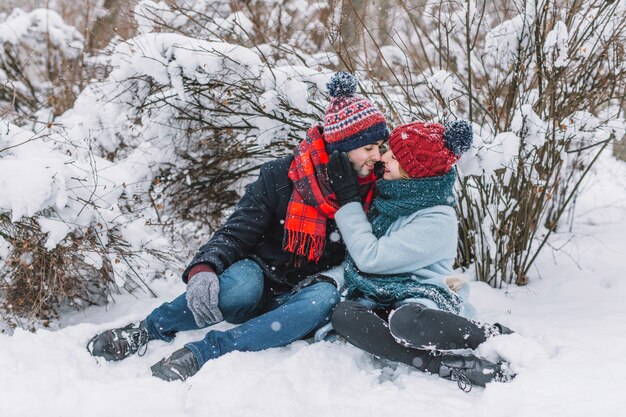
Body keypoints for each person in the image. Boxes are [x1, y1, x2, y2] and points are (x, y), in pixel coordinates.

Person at [86, 72, 390, 381]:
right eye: (368, 148)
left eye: (380, 147)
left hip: (305, 298)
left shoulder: (377, 190)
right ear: (341, 145)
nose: (377, 156)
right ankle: (147, 329)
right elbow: (237, 231)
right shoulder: (282, 176)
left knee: (323, 299)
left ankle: (207, 351)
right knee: (243, 280)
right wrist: (204, 267)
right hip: (260, 283)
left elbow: (370, 253)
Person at [327, 120, 515, 392]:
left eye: (393, 157)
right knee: (344, 314)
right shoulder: (392, 199)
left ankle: (492, 336)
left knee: (405, 322)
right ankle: (437, 363)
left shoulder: (437, 218)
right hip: (384, 293)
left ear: (414, 171)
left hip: (423, 293)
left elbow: (371, 258)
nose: (383, 159)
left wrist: (348, 202)